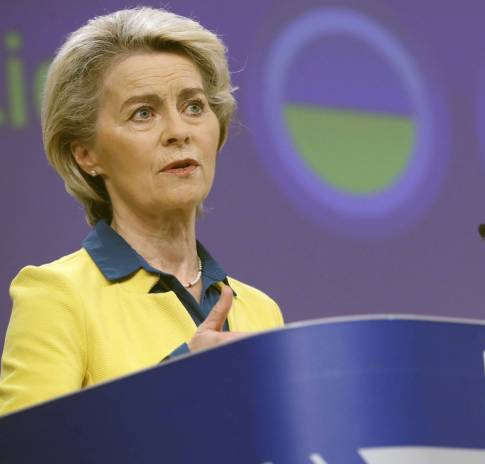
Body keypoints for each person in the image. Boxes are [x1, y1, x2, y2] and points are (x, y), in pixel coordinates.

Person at [0, 7, 284, 416]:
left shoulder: (260, 310)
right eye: (143, 113)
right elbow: (29, 446)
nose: (179, 132)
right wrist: (177, 380)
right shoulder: (58, 296)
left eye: (194, 106)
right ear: (86, 154)